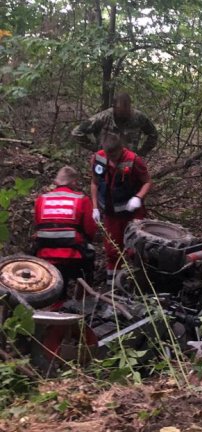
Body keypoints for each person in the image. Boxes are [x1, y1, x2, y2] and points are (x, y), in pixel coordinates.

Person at [91, 132, 152, 287]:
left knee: (134, 250)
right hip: (111, 214)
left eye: (115, 155)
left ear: (121, 148)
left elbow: (147, 182)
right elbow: (95, 183)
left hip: (132, 213)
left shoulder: (133, 160)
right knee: (112, 251)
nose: (112, 158)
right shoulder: (98, 158)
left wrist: (138, 197)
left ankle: (135, 285)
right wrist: (95, 208)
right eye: (109, 155)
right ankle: (113, 287)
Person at [34, 166, 97, 293]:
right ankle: (82, 297)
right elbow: (90, 229)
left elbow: (38, 224)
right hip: (73, 254)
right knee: (88, 259)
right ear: (74, 182)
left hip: (44, 253)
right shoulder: (81, 199)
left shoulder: (41, 199)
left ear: (57, 181)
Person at [72, 92, 158, 156]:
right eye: (121, 110)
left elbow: (153, 133)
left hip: (128, 162)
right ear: (114, 107)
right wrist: (95, 148)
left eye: (127, 109)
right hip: (105, 161)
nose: (125, 113)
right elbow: (77, 132)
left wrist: (142, 152)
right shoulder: (102, 117)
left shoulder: (139, 117)